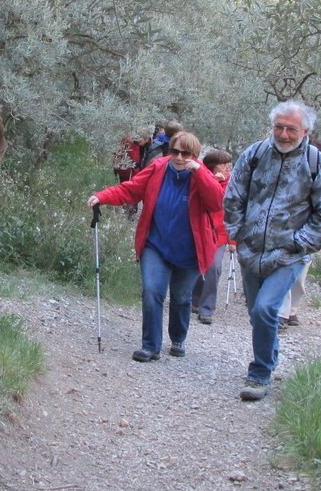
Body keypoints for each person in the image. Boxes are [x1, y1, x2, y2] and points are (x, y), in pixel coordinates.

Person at [223, 100, 321, 401]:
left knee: (265, 309)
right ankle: (269, 359)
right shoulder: (255, 154)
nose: (284, 134)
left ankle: (259, 375)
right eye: (279, 127)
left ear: (306, 131)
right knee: (256, 313)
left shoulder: (317, 164)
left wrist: (298, 243)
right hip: (251, 250)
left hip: (289, 255)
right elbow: (234, 196)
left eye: (291, 129)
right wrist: (237, 233)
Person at [87, 131, 223, 362]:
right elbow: (131, 189)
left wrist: (199, 172)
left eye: (186, 153)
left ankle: (178, 338)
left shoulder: (203, 175)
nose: (179, 158)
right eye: (175, 152)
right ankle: (150, 346)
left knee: (181, 298)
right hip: (156, 244)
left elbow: (216, 202)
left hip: (190, 250)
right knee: (151, 291)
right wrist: (102, 196)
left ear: (195, 155)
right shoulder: (158, 168)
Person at [279, 139, 321, 328]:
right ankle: (281, 313)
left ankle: (292, 309)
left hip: (310, 235)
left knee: (299, 278)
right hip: (285, 232)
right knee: (284, 271)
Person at [190, 149, 233, 324]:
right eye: (224, 165)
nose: (228, 167)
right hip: (202, 231)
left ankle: (207, 308)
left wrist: (234, 240)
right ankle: (195, 299)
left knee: (214, 268)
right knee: (199, 265)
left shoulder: (232, 184)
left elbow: (234, 212)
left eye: (229, 164)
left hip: (220, 235)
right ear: (213, 167)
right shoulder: (201, 179)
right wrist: (213, 183)